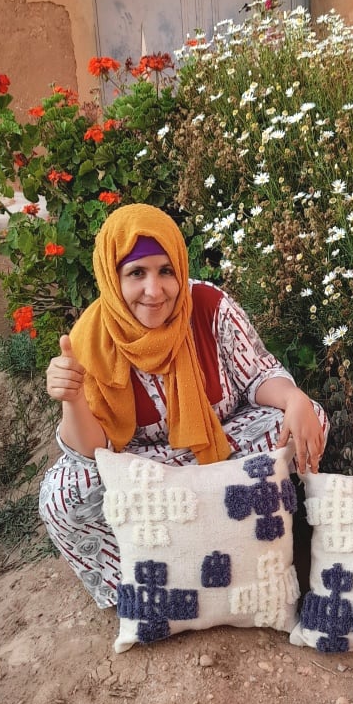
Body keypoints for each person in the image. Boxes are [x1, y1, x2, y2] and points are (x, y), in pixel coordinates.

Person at [39, 203, 328, 607]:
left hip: (219, 450)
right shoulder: (90, 339)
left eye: (165, 271)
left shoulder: (208, 306)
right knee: (63, 493)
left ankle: (238, 557)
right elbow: (92, 452)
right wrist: (72, 400)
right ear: (112, 275)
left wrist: (294, 398)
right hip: (147, 469)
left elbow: (258, 374)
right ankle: (146, 588)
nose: (154, 291)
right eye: (136, 273)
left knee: (306, 419)